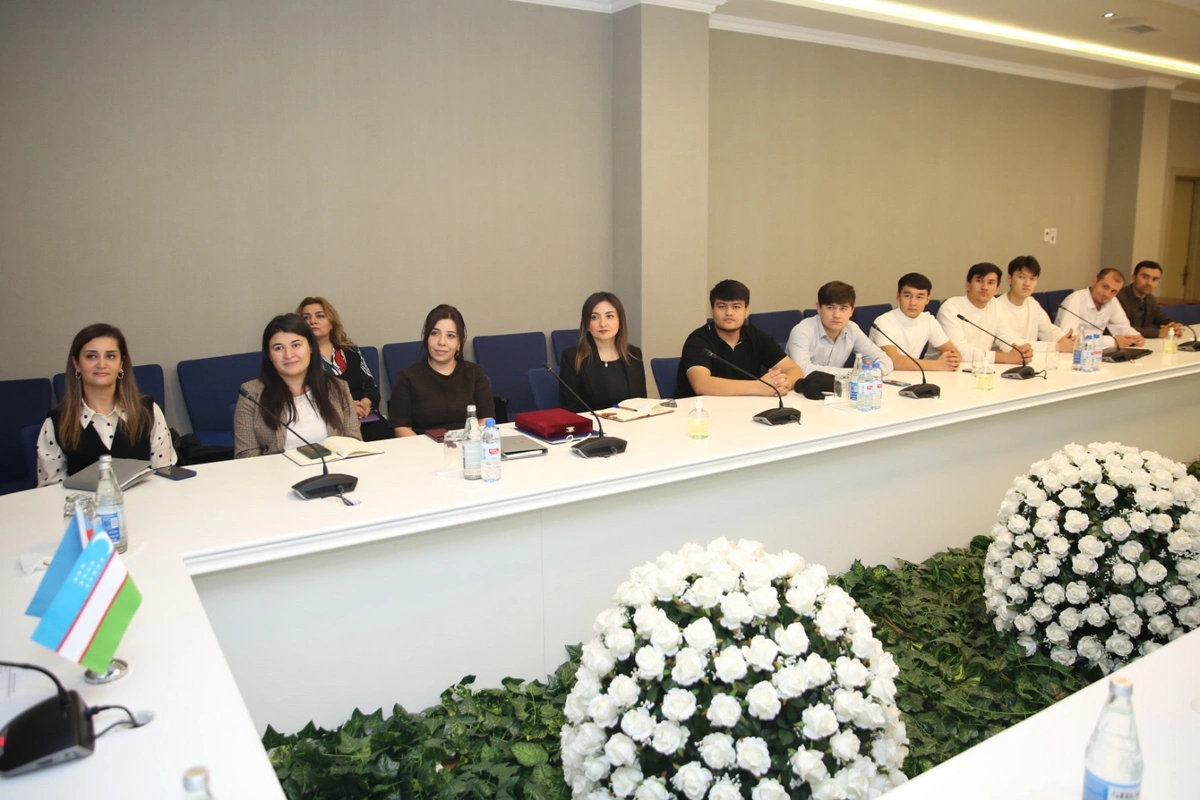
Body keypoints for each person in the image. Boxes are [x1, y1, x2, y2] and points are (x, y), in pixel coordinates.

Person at [37, 323, 177, 486]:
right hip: (85, 503)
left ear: (121, 363)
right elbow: (52, 491)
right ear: (76, 364)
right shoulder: (56, 423)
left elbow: (165, 475)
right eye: (91, 356)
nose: (101, 364)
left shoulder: (148, 411)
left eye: (110, 356)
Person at [234, 314, 361, 458]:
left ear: (311, 347)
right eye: (278, 348)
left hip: (332, 469)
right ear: (269, 355)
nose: (288, 355)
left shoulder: (338, 388)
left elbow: (354, 443)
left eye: (296, 345)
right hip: (276, 471)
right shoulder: (251, 393)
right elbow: (245, 454)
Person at [676, 280, 803, 399]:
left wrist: (780, 385)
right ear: (712, 311)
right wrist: (760, 387)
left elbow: (795, 370)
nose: (729, 313)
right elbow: (701, 385)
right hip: (699, 412)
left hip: (744, 409)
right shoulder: (698, 340)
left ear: (746, 311)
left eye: (736, 307)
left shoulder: (755, 336)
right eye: (721, 306)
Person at [297, 296, 392, 441]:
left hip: (363, 416)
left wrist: (366, 403)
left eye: (320, 316)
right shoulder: (299, 358)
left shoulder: (351, 351)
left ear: (331, 323)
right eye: (306, 317)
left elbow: (371, 387)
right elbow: (303, 398)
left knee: (386, 435)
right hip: (326, 419)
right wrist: (347, 407)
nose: (312, 321)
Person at [390, 305, 495, 436]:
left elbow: (486, 419)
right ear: (426, 338)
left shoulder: (474, 372)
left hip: (468, 444)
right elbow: (401, 427)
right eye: (435, 333)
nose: (441, 342)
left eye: (450, 336)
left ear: (459, 343)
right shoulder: (407, 377)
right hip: (423, 445)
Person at [558, 292, 647, 412]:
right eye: (594, 317)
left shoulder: (634, 354)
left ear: (620, 321)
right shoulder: (572, 357)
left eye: (609, 316)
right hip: (593, 424)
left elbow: (642, 402)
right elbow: (570, 409)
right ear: (587, 324)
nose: (603, 324)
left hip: (632, 422)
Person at [787, 281, 893, 375]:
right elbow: (801, 370)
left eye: (843, 308)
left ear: (852, 311)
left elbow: (885, 360)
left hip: (834, 389)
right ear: (818, 307)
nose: (837, 315)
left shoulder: (852, 329)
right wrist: (854, 373)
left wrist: (874, 371)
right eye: (830, 308)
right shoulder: (802, 330)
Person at [937, 263, 1034, 365]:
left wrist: (1021, 351)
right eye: (979, 281)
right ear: (968, 285)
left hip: (980, 368)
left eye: (991, 283)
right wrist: (1007, 357)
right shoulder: (951, 307)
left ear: (996, 289)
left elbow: (1006, 338)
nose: (985, 287)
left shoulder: (995, 304)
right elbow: (958, 351)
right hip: (943, 370)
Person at [869, 273, 961, 371]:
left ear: (927, 299)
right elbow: (894, 362)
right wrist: (938, 365)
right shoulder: (883, 322)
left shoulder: (928, 320)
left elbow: (953, 352)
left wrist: (953, 359)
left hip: (912, 376)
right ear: (898, 296)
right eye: (907, 296)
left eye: (919, 297)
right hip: (879, 377)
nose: (913, 303)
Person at [995, 256, 1076, 353]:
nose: (1027, 283)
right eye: (1021, 277)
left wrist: (1066, 339)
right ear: (1009, 279)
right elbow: (1012, 344)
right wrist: (1057, 346)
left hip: (1029, 360)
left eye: (1032, 278)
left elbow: (1048, 331)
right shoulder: (997, 306)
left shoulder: (1032, 303)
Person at [1054, 268, 1145, 349]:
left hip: (1095, 354)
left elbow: (1122, 326)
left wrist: (1135, 337)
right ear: (1094, 281)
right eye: (1105, 287)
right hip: (1068, 355)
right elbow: (1069, 337)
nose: (1107, 294)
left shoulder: (1112, 301)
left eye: (1114, 291)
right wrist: (1111, 341)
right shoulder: (1075, 300)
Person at [1116, 260, 1185, 340]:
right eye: (1145, 277)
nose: (1149, 283)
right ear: (1133, 278)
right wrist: (1158, 333)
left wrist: (1173, 326)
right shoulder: (1119, 298)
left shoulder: (1150, 299)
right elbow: (1124, 329)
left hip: (1141, 343)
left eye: (1155, 279)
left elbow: (1160, 317)